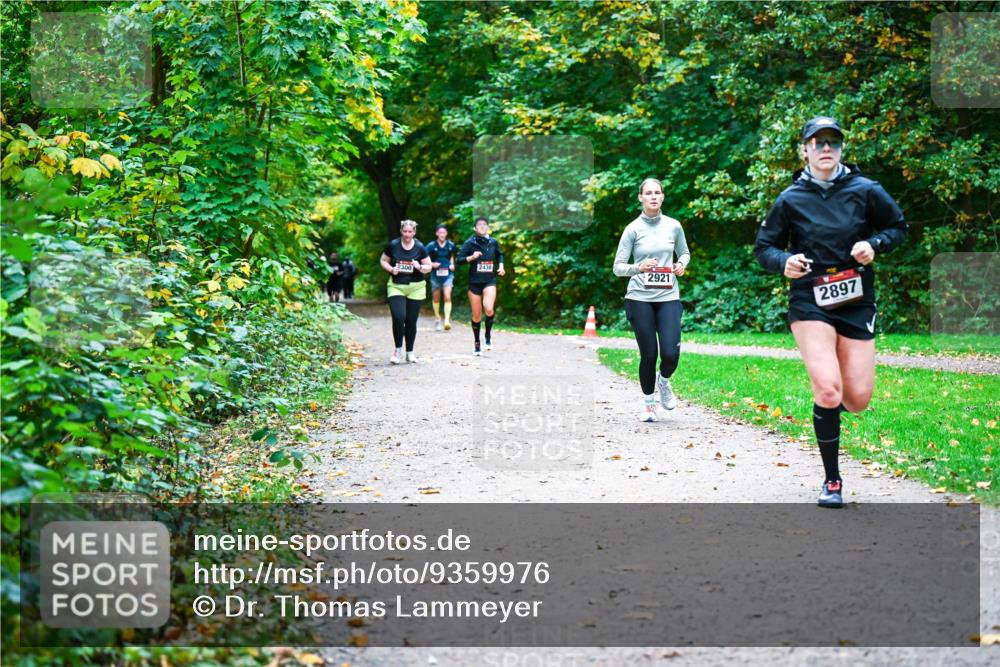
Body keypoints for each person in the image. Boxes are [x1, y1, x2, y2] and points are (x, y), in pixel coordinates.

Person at [754, 116, 906, 508]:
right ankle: (832, 481)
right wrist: (784, 261)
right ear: (804, 149)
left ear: (841, 149)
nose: (825, 148)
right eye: (817, 142)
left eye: (833, 143)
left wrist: (874, 244)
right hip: (809, 297)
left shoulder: (866, 190)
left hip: (856, 299)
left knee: (856, 399)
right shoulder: (790, 199)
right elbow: (764, 247)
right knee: (827, 389)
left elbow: (897, 228)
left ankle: (832, 405)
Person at [613, 178, 691, 423]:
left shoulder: (674, 226)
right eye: (648, 193)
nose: (653, 196)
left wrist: (681, 264)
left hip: (668, 296)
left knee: (670, 353)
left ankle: (664, 381)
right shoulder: (632, 229)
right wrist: (639, 267)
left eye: (657, 192)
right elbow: (617, 268)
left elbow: (685, 253)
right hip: (639, 298)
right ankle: (648, 404)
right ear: (641, 198)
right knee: (649, 353)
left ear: (663, 197)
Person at [380, 220, 432, 364]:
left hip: (416, 287)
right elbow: (383, 260)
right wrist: (391, 269)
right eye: (405, 231)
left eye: (410, 232)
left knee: (411, 320)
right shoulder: (393, 245)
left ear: (414, 232)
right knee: (398, 317)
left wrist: (420, 266)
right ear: (401, 231)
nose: (407, 234)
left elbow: (429, 266)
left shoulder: (420, 247)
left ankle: (410, 352)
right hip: (396, 286)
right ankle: (397, 350)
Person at [456, 217, 505, 356]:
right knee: (476, 316)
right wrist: (471, 257)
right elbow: (459, 260)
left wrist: (501, 266)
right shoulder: (470, 243)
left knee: (489, 309)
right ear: (475, 228)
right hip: (474, 283)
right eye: (479, 225)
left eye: (484, 224)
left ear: (488, 227)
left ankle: (488, 337)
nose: (482, 227)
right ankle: (477, 342)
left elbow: (499, 255)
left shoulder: (493, 242)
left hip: (489, 280)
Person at [425, 224, 457, 331]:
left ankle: (447, 320)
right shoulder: (430, 246)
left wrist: (452, 264)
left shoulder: (451, 245)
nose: (442, 234)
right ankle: (437, 318)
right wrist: (432, 264)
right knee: (436, 298)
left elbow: (451, 256)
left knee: (447, 296)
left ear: (446, 234)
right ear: (436, 234)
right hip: (435, 275)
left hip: (448, 274)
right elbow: (425, 258)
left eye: (444, 232)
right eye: (440, 232)